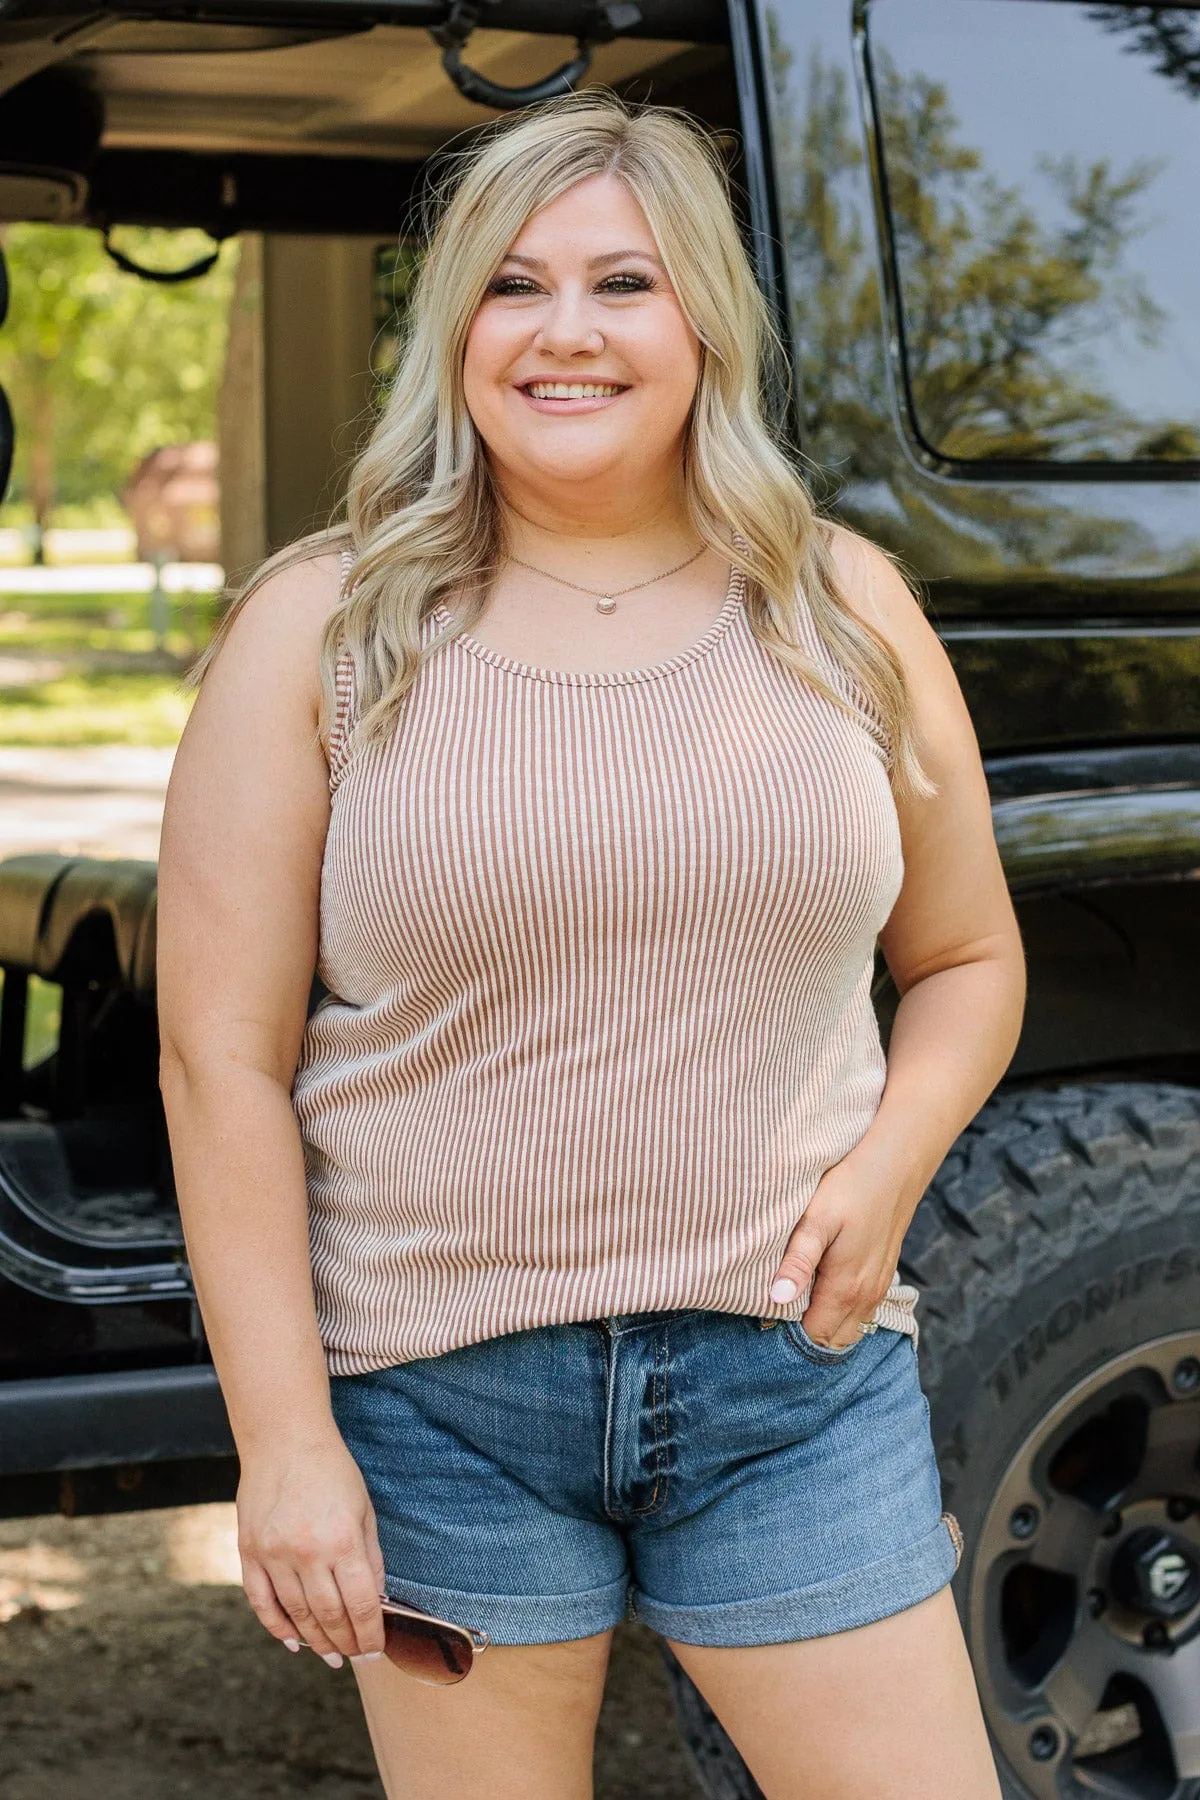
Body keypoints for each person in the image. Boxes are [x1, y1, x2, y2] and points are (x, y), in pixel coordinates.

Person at [157, 87, 1023, 1800]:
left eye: (623, 284)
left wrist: (890, 1165)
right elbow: (221, 1062)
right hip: (442, 1393)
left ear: (704, 317)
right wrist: (285, 1445)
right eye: (511, 284)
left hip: (795, 1379)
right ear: (454, 326)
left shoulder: (843, 608)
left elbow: (971, 961)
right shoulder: (321, 628)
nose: (566, 333)